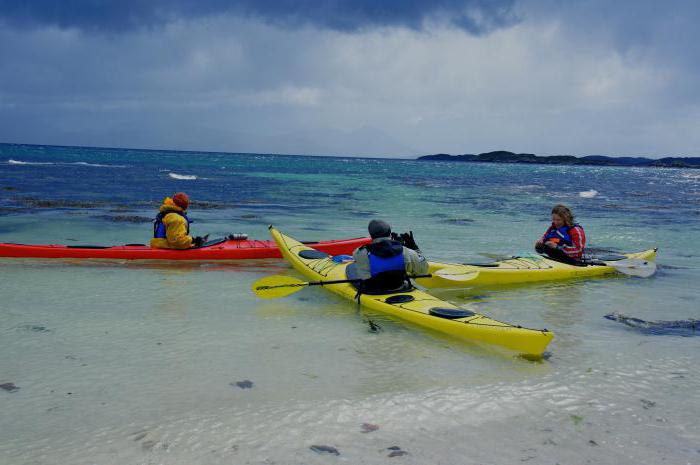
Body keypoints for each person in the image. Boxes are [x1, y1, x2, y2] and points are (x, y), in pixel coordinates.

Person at [352, 219, 429, 292]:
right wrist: (414, 248)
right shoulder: (405, 251)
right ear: (390, 232)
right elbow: (423, 271)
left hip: (373, 290)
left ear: (371, 235)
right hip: (399, 287)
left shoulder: (359, 252)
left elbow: (364, 276)